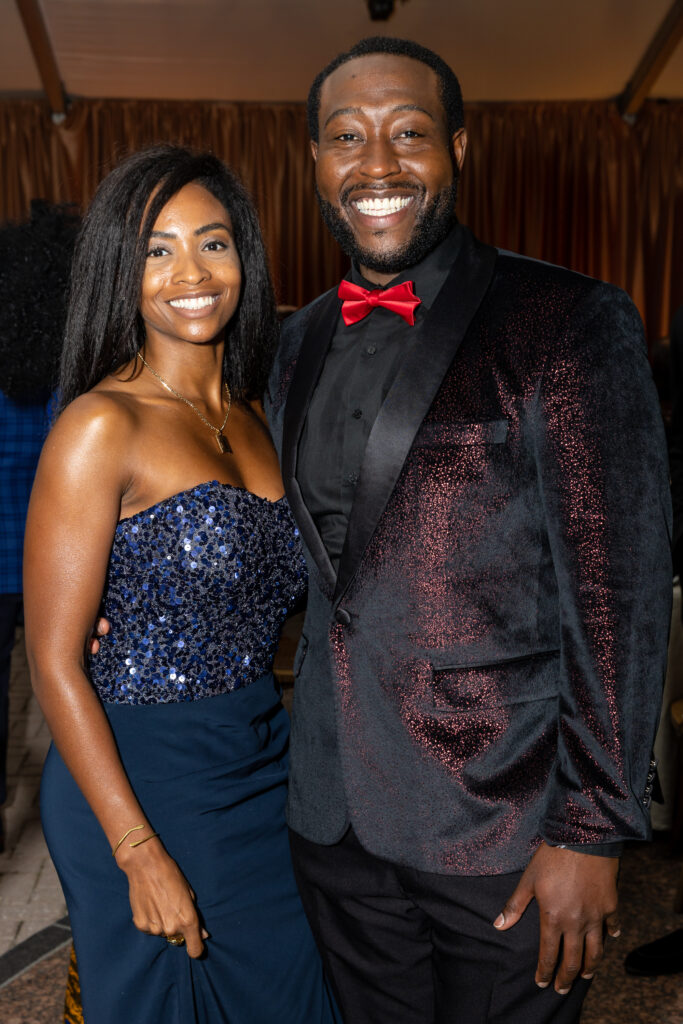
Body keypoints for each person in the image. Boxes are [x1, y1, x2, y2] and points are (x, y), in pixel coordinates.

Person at [264, 37, 672, 1023]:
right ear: (315, 162)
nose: (377, 165)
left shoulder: (567, 319)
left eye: (408, 133)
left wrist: (591, 826)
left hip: (501, 817)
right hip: (329, 815)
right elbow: (320, 560)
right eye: (346, 137)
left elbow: (614, 591)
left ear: (456, 147)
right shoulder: (296, 337)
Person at [24, 147, 339, 1024]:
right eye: (156, 251)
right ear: (120, 273)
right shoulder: (101, 424)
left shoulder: (259, 417)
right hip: (138, 774)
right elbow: (54, 661)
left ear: (247, 257)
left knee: (298, 993)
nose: (189, 274)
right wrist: (136, 850)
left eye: (213, 243)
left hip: (254, 755)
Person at [0, 201, 78, 852]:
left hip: (1, 558)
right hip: (59, 561)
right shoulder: (77, 381)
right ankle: (82, 807)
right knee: (73, 680)